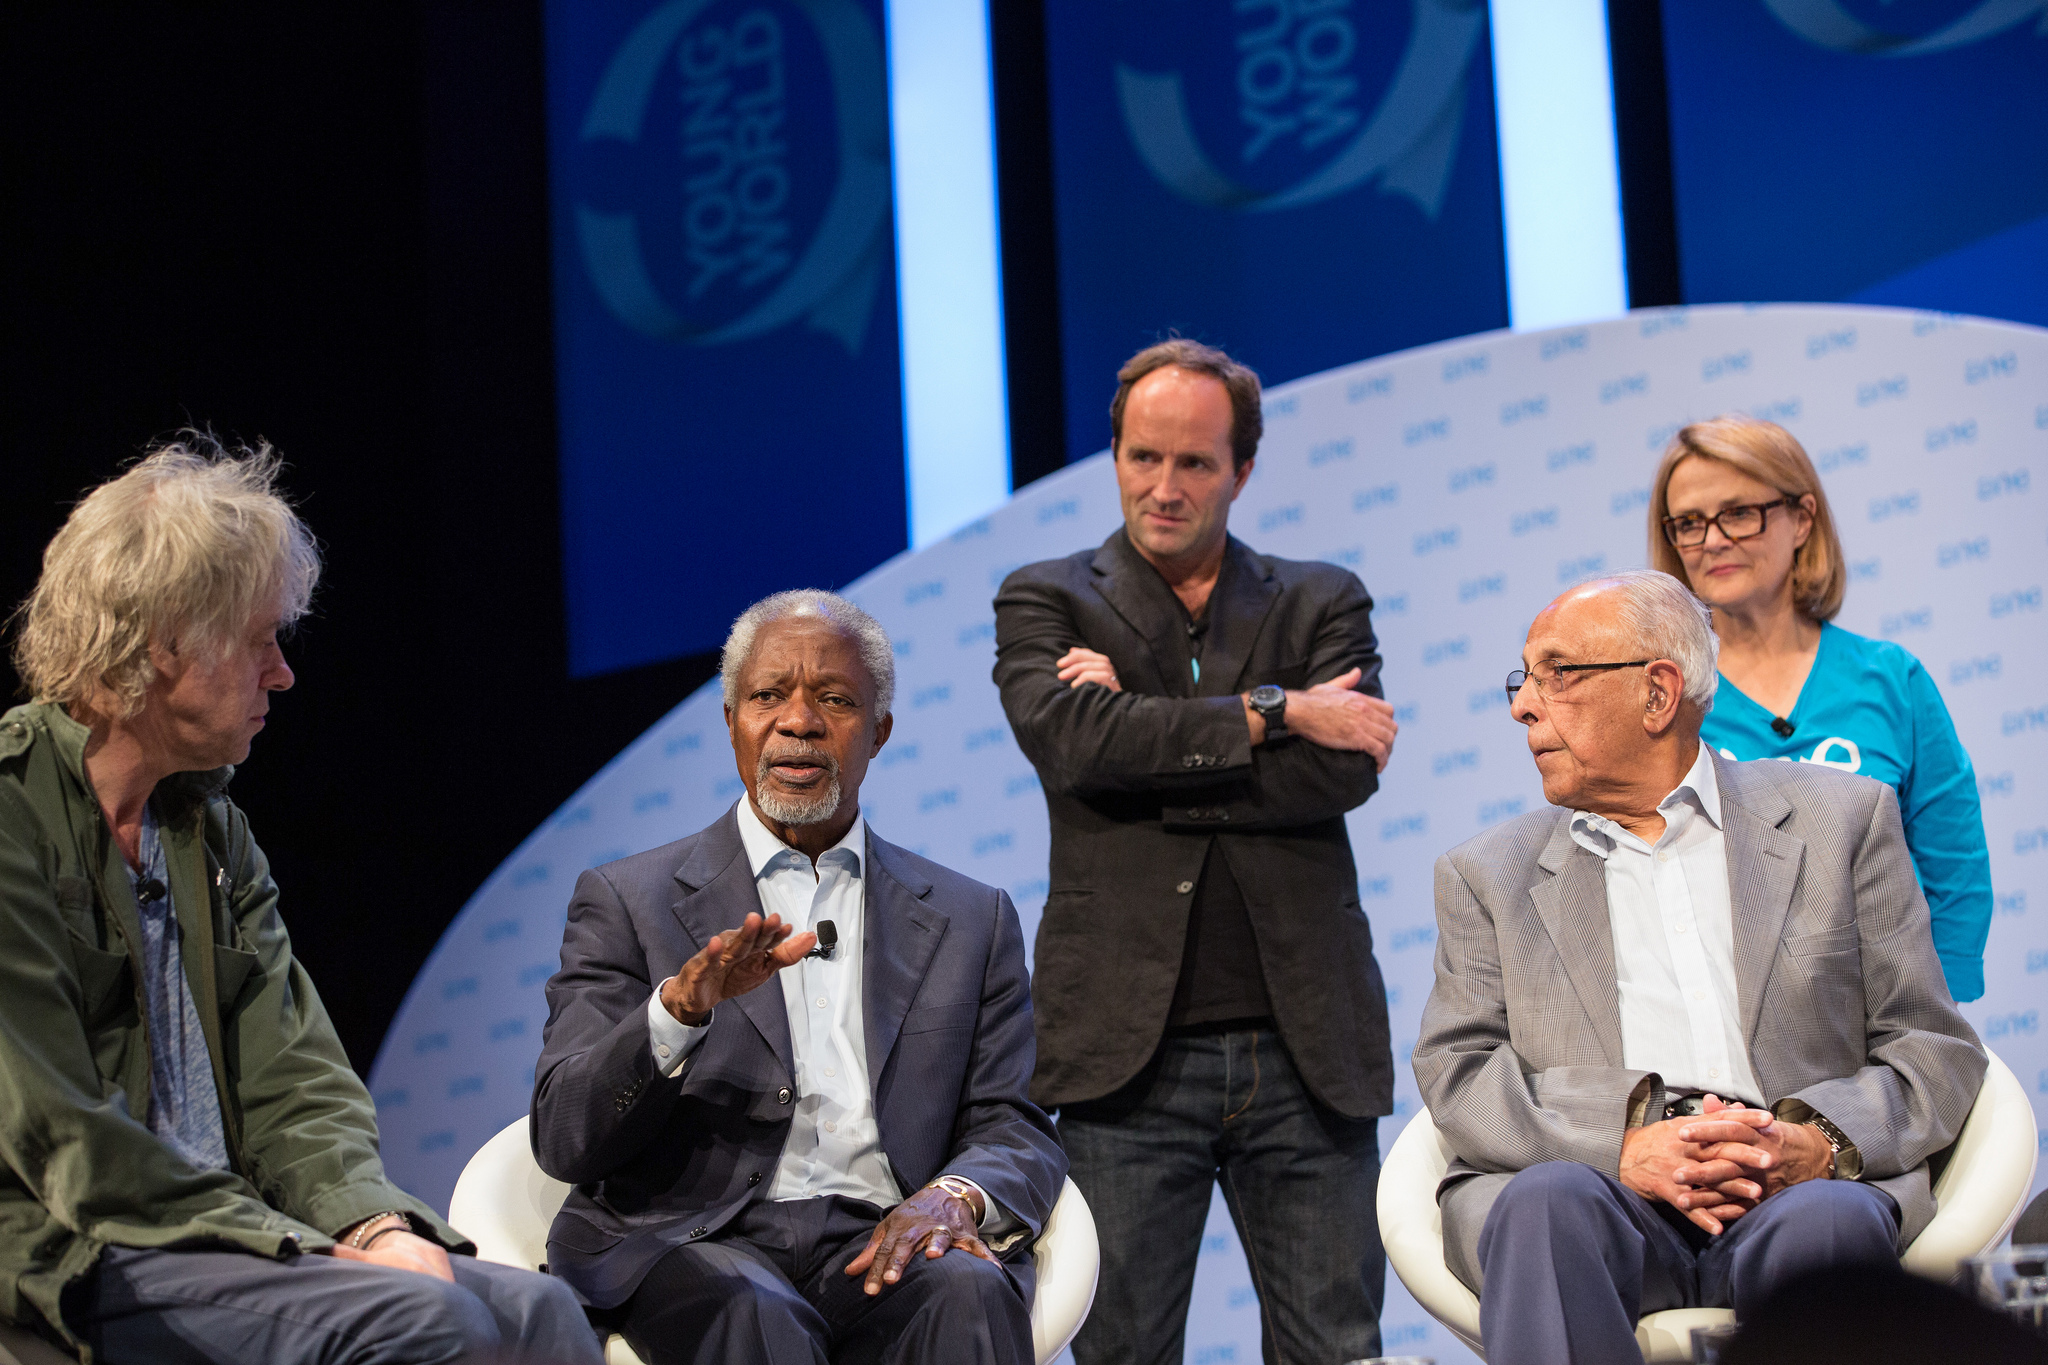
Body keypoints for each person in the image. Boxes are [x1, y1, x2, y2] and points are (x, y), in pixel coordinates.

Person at [0, 440, 599, 1364]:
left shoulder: (212, 832)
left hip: (231, 1240)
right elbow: (62, 1131)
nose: (281, 672)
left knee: (541, 1315)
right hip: (81, 1249)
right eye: (258, 640)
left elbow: (295, 1077)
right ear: (166, 645)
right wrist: (301, 1248)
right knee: (429, 1322)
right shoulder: (10, 813)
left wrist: (369, 1224)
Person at [1414, 569, 1985, 1365]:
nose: (1522, 704)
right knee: (1545, 1203)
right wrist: (1622, 1142)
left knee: (1829, 1220)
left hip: (1788, 1188)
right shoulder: (1486, 874)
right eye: (1524, 677)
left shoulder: (1842, 823)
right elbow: (1459, 1069)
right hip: (1597, 1196)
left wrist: (1815, 1139)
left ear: (1658, 693)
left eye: (1559, 674)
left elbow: (1931, 1046)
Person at [994, 339, 1399, 1365]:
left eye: (1193, 464)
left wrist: (1146, 730)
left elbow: (1340, 776)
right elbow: (1074, 747)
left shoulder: (1320, 600)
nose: (1161, 487)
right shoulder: (1044, 598)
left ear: (1242, 470)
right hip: (1125, 1058)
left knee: (1334, 1349)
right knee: (1119, 1351)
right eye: (1141, 458)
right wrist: (1276, 710)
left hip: (1305, 1047)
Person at [532, 590, 1066, 1365]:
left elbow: (1014, 1123)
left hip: (880, 1233)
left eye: (836, 699)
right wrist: (675, 1014)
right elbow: (562, 1131)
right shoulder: (626, 898)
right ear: (731, 723)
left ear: (878, 732)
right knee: (757, 1317)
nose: (799, 720)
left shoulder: (969, 915)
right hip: (697, 1240)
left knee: (969, 1291)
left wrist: (953, 1198)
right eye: (768, 694)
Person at [1648, 416, 1992, 1000]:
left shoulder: (1891, 679)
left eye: (1737, 513)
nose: (1710, 540)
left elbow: (1954, 871)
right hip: (1717, 1028)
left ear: (1802, 518)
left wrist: (1938, 1024)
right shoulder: (1661, 696)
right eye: (1689, 523)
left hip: (1887, 1018)